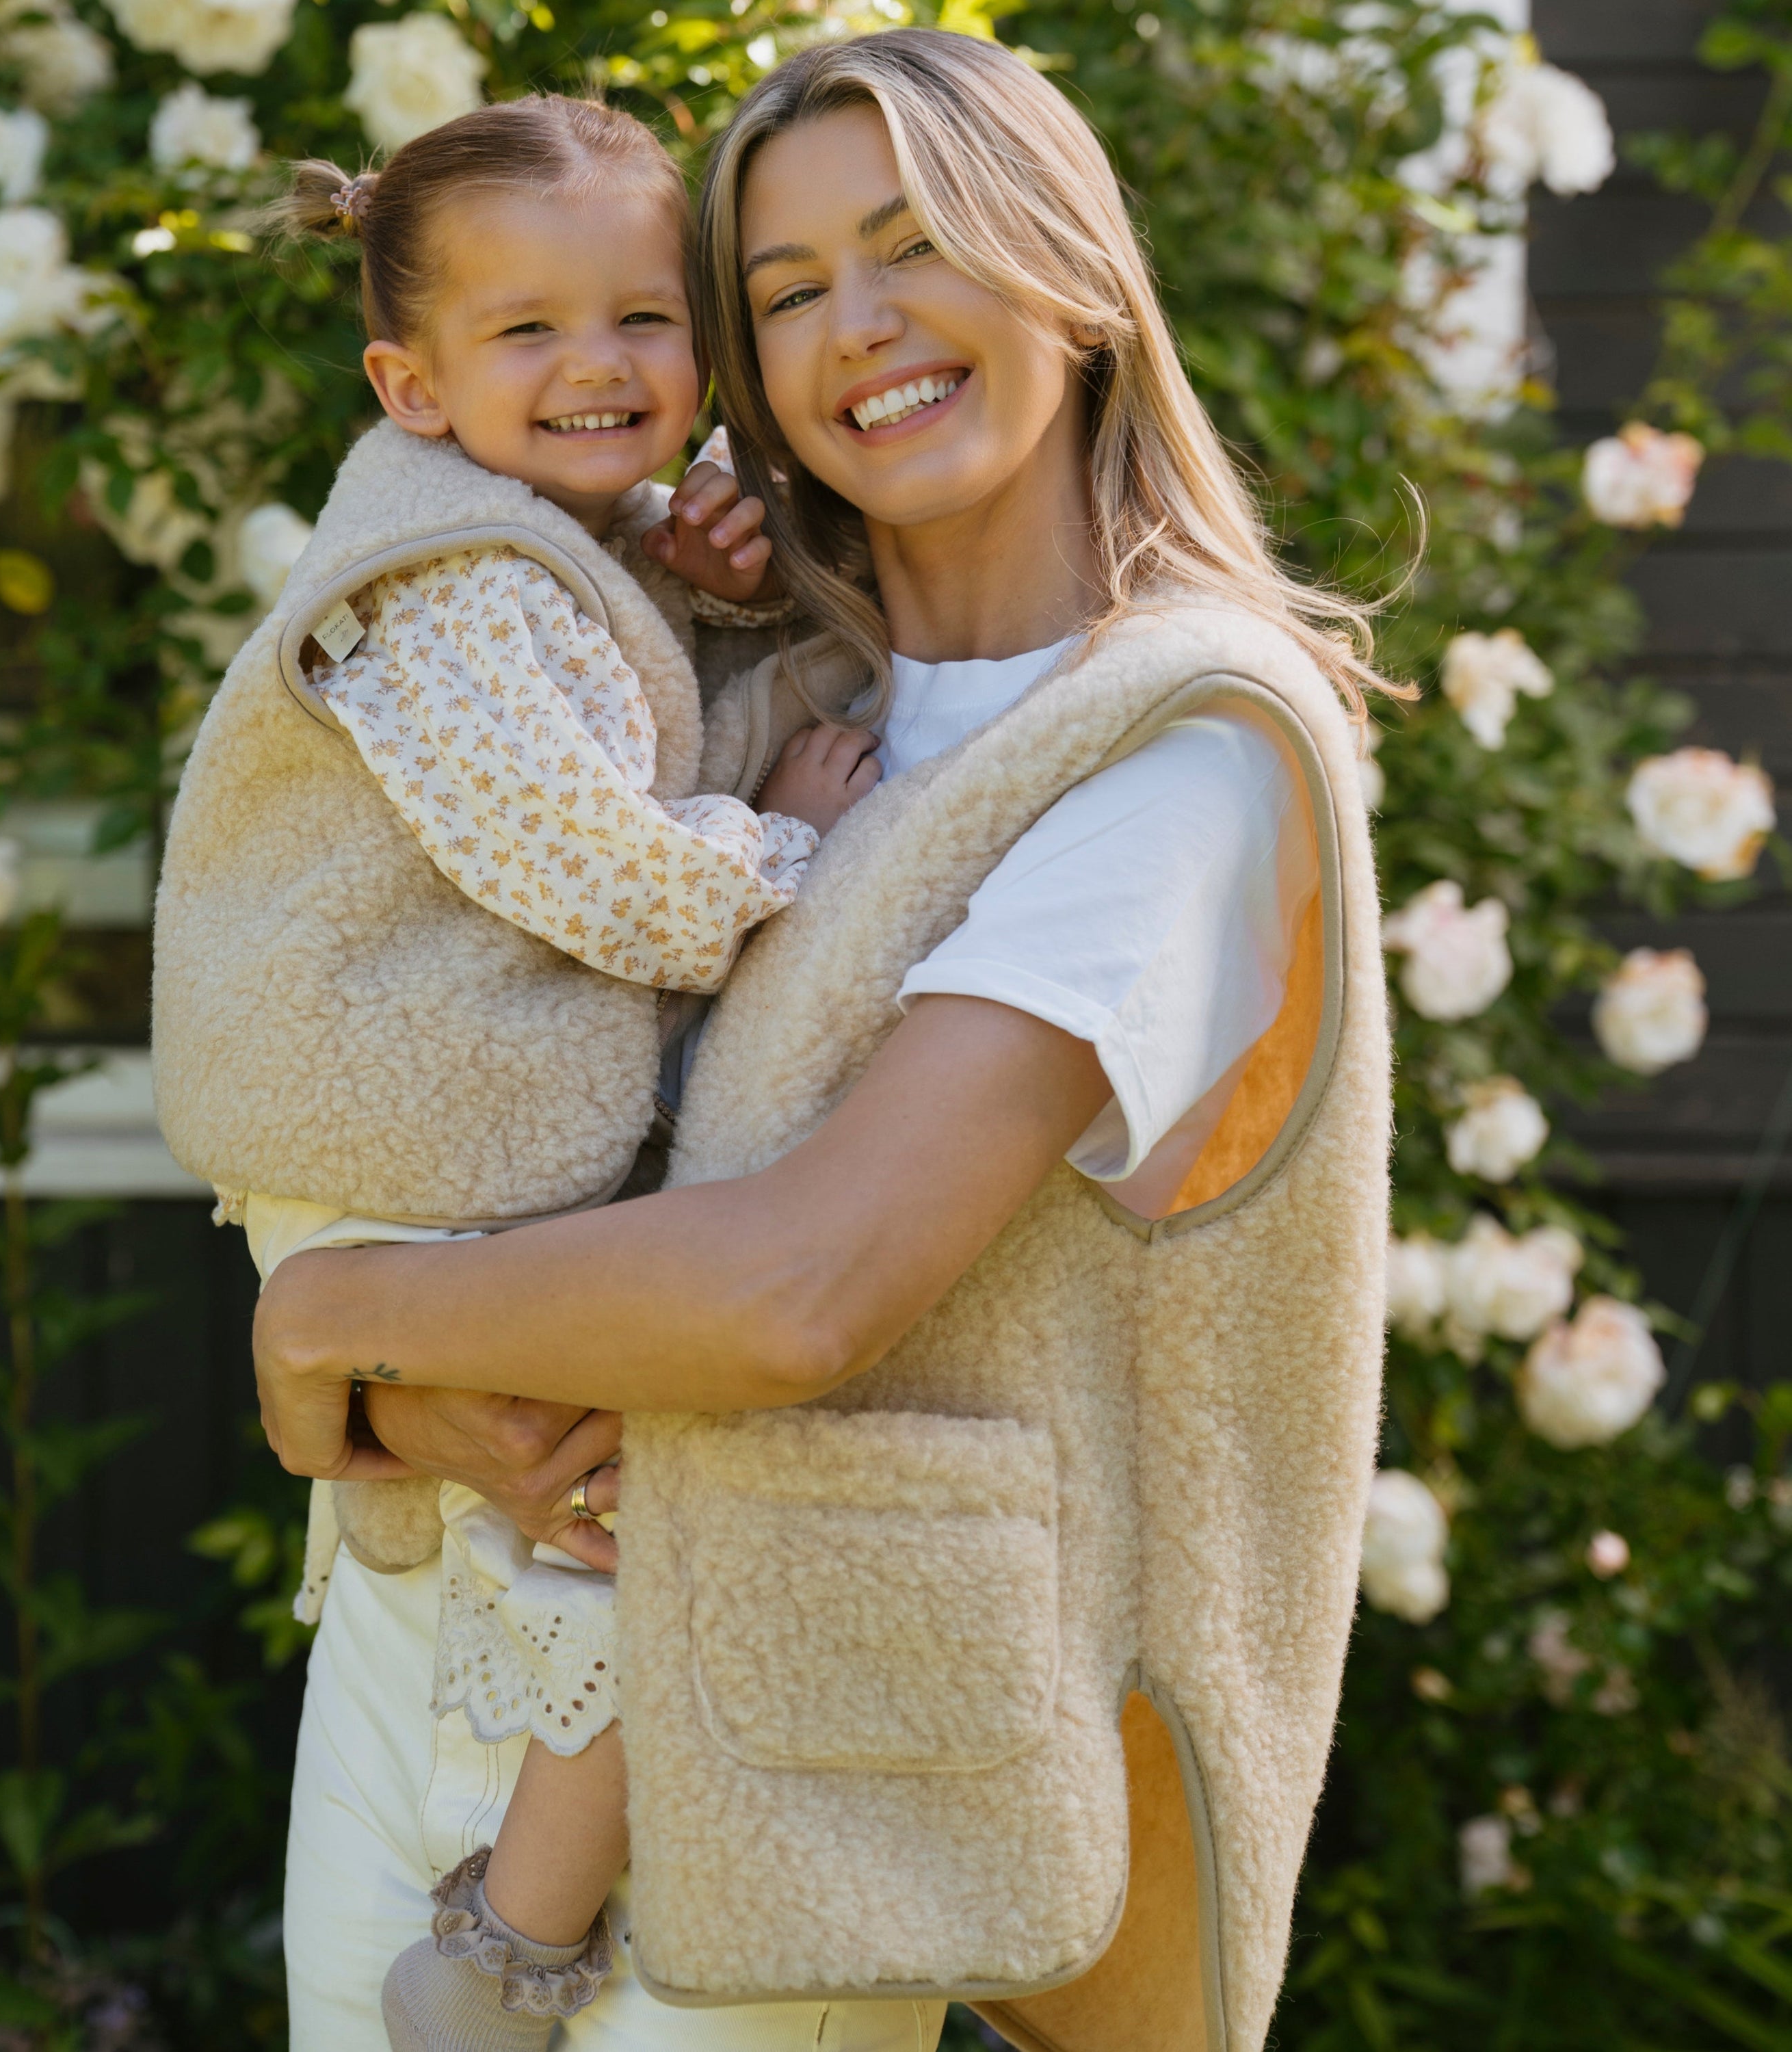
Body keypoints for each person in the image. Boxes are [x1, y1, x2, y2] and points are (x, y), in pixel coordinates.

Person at [252, 30, 1395, 2052]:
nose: (859, 324)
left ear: (1073, 275)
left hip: (777, 1772)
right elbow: (477, 1081)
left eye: (918, 243)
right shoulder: (739, 696)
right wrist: (407, 1404)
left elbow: (802, 1289)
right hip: (430, 1648)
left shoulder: (1180, 748)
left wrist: (331, 1320)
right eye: (784, 293)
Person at [156, 94, 884, 2052]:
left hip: (395, 1139)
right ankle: (512, 1942)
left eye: (644, 320)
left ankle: (509, 1914)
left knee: (581, 1497)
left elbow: (596, 715)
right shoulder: (450, 583)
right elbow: (590, 858)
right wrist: (801, 847)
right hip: (394, 1123)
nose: (599, 365)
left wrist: (702, 575)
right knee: (653, 1496)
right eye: (529, 330)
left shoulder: (523, 539)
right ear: (413, 384)